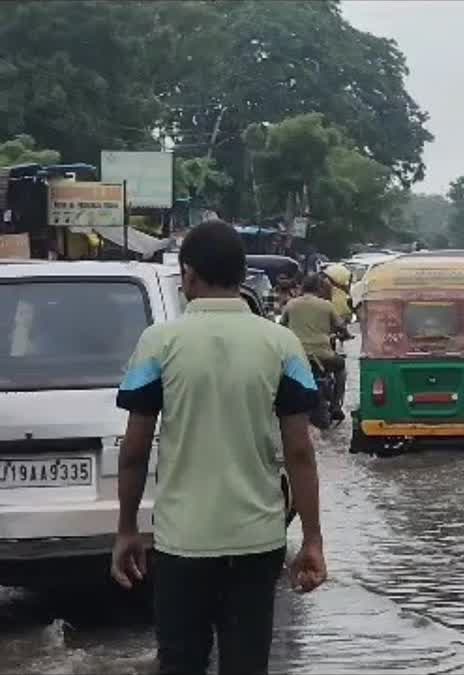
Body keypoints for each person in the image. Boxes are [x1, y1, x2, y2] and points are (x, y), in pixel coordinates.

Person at [111, 220, 326, 675]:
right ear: (242, 274)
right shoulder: (281, 343)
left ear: (188, 275)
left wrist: (127, 528)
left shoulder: (158, 343)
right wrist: (312, 538)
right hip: (256, 542)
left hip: (181, 544)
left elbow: (133, 450)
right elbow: (301, 453)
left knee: (181, 663)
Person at [281, 275, 348, 422]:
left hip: (296, 355)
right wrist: (345, 333)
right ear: (319, 289)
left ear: (303, 287)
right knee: (341, 368)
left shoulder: (291, 304)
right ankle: (336, 406)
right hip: (323, 355)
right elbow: (340, 326)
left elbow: (281, 326)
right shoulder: (326, 305)